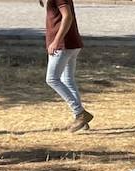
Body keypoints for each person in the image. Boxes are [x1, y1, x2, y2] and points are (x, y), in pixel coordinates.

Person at [43, 0, 93, 131]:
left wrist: (56, 41)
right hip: (71, 44)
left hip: (63, 46)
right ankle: (81, 120)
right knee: (68, 80)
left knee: (52, 79)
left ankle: (80, 113)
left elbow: (67, 16)